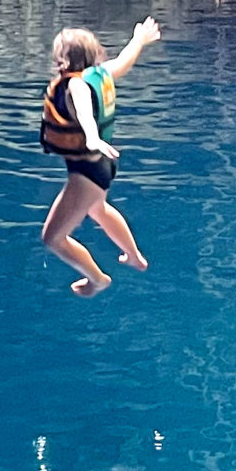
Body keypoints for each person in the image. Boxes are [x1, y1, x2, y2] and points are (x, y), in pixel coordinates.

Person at [38, 18, 160, 296]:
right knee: (98, 209)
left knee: (53, 238)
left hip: (86, 171)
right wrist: (138, 41)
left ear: (62, 59)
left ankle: (97, 279)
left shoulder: (75, 86)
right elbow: (124, 61)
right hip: (102, 166)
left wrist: (91, 137)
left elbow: (83, 110)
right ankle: (133, 256)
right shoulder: (100, 74)